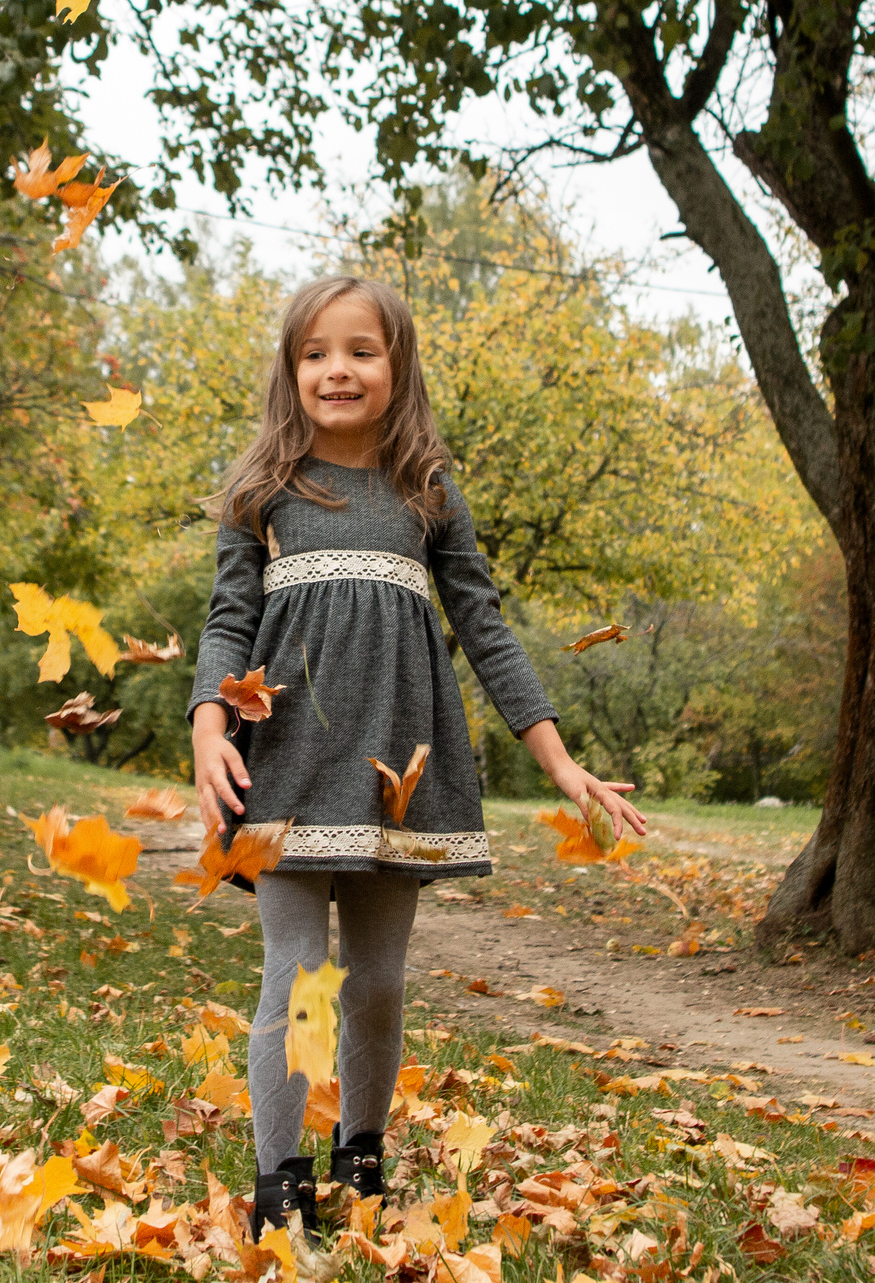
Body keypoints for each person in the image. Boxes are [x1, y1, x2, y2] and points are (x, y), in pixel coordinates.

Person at [187, 273, 650, 1236]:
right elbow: (230, 620)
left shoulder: (426, 491)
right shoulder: (262, 492)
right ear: (290, 369)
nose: (336, 369)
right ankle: (285, 1179)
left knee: (380, 978)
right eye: (314, 353)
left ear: (397, 366)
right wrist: (204, 724)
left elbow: (485, 628)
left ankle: (362, 1152)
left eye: (360, 350)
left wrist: (559, 761)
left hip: (397, 768)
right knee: (298, 971)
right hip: (282, 762)